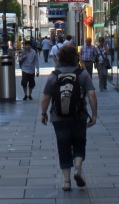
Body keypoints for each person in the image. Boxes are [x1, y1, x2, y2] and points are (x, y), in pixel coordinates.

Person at [41, 43, 97, 190]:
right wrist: (94, 114)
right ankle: (77, 168)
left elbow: (45, 98)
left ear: (60, 58)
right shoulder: (82, 74)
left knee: (63, 146)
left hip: (58, 118)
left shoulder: (54, 76)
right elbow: (92, 94)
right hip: (79, 116)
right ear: (75, 58)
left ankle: (66, 181)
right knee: (79, 142)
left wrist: (43, 114)